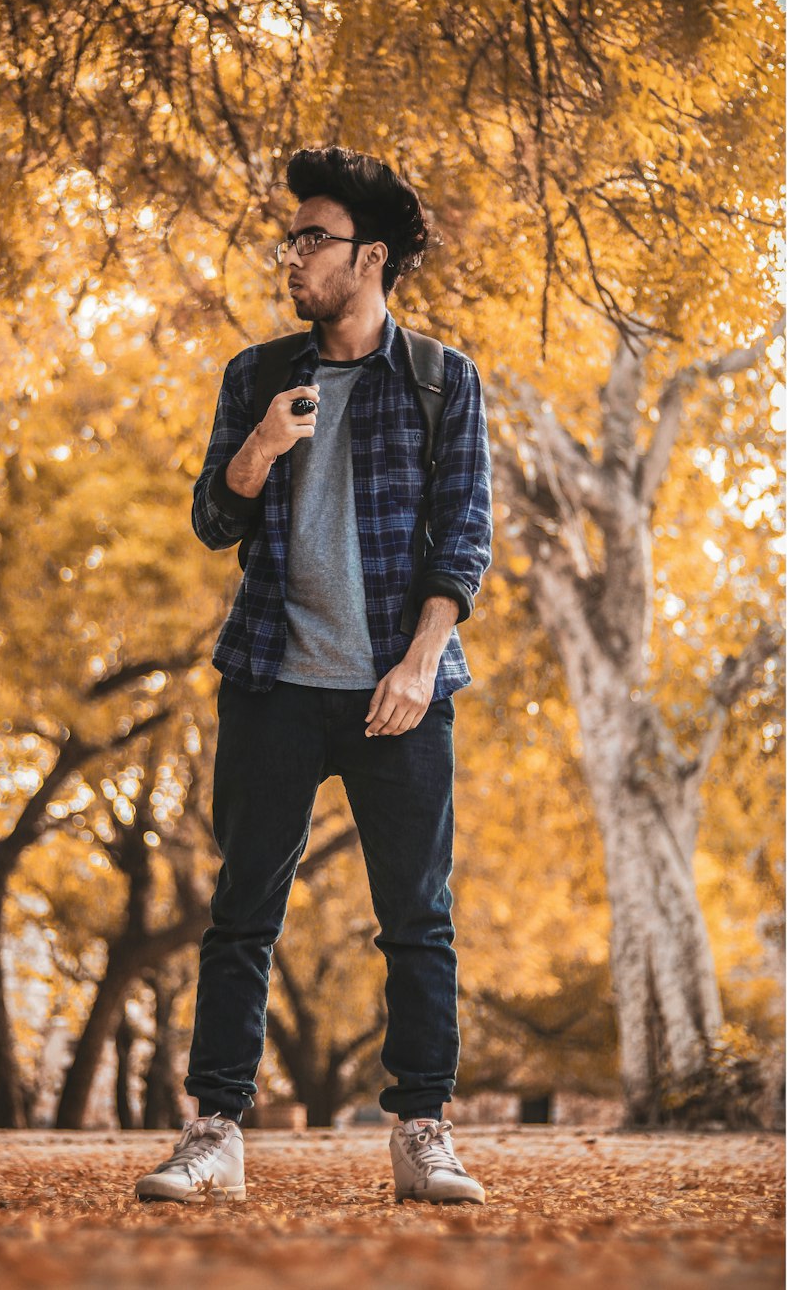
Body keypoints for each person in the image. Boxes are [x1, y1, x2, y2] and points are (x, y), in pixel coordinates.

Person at [134, 145, 493, 1206]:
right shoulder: (256, 376)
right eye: (291, 238)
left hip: (398, 687)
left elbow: (462, 539)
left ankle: (421, 1128)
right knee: (243, 908)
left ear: (368, 256)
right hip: (272, 679)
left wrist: (421, 664)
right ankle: (213, 1131)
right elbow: (212, 517)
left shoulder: (440, 380)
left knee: (417, 916)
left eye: (311, 239)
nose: (291, 256)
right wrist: (257, 448)